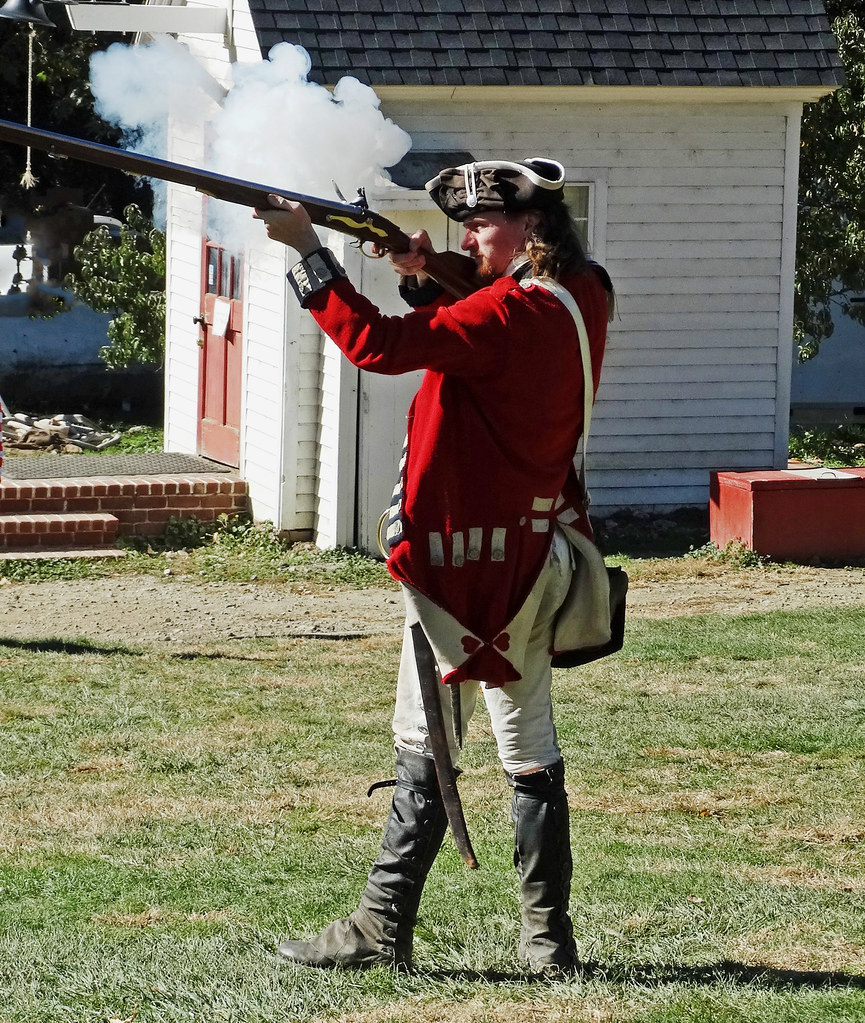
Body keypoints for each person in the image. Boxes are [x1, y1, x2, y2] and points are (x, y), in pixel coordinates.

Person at [254, 158, 614, 975]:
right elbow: (495, 306)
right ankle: (548, 944)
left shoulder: (507, 313)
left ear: (530, 227)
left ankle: (381, 929)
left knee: (422, 743)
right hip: (531, 554)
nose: (467, 237)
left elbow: (376, 345)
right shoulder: (584, 288)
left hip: (461, 573)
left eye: (480, 225)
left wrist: (308, 251)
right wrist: (427, 271)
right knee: (530, 752)